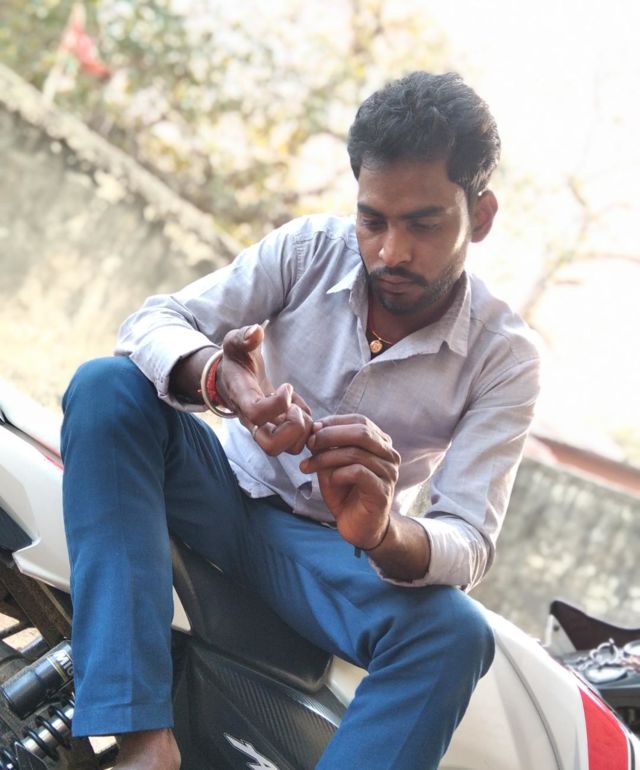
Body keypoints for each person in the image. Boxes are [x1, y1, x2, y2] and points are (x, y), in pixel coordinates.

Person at [61, 71, 540, 769]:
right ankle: (142, 743)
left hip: (329, 559)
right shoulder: (310, 249)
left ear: (482, 216)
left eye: (424, 224)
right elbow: (153, 323)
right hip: (217, 490)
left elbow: (468, 539)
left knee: (457, 634)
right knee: (106, 386)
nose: (391, 252)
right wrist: (223, 381)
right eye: (373, 220)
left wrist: (384, 532)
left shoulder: (506, 357)